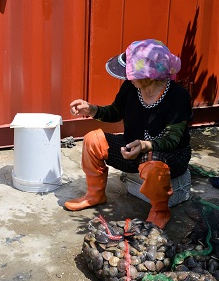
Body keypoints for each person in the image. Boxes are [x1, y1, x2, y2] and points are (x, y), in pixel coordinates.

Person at [64, 39, 192, 229]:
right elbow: (115, 112)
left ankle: (160, 211)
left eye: (132, 73)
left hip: (170, 155)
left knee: (154, 163)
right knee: (93, 140)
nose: (128, 77)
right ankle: (95, 195)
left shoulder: (178, 96)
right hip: (134, 149)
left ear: (149, 75)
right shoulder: (130, 88)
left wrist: (145, 145)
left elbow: (172, 139)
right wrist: (91, 109)